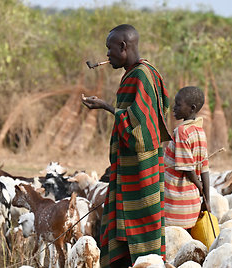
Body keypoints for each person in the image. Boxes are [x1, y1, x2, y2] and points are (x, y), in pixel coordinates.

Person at [82, 24, 171, 268]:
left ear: (123, 46)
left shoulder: (140, 75)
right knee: (124, 221)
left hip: (140, 166)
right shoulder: (142, 72)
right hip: (132, 165)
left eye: (109, 49)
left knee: (141, 221)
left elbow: (141, 125)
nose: (107, 55)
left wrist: (107, 107)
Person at [163, 86, 211, 233]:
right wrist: (207, 199)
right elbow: (204, 169)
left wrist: (199, 186)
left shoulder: (181, 132)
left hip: (175, 204)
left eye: (178, 104)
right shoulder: (200, 132)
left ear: (192, 108)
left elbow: (187, 167)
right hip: (191, 205)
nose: (174, 108)